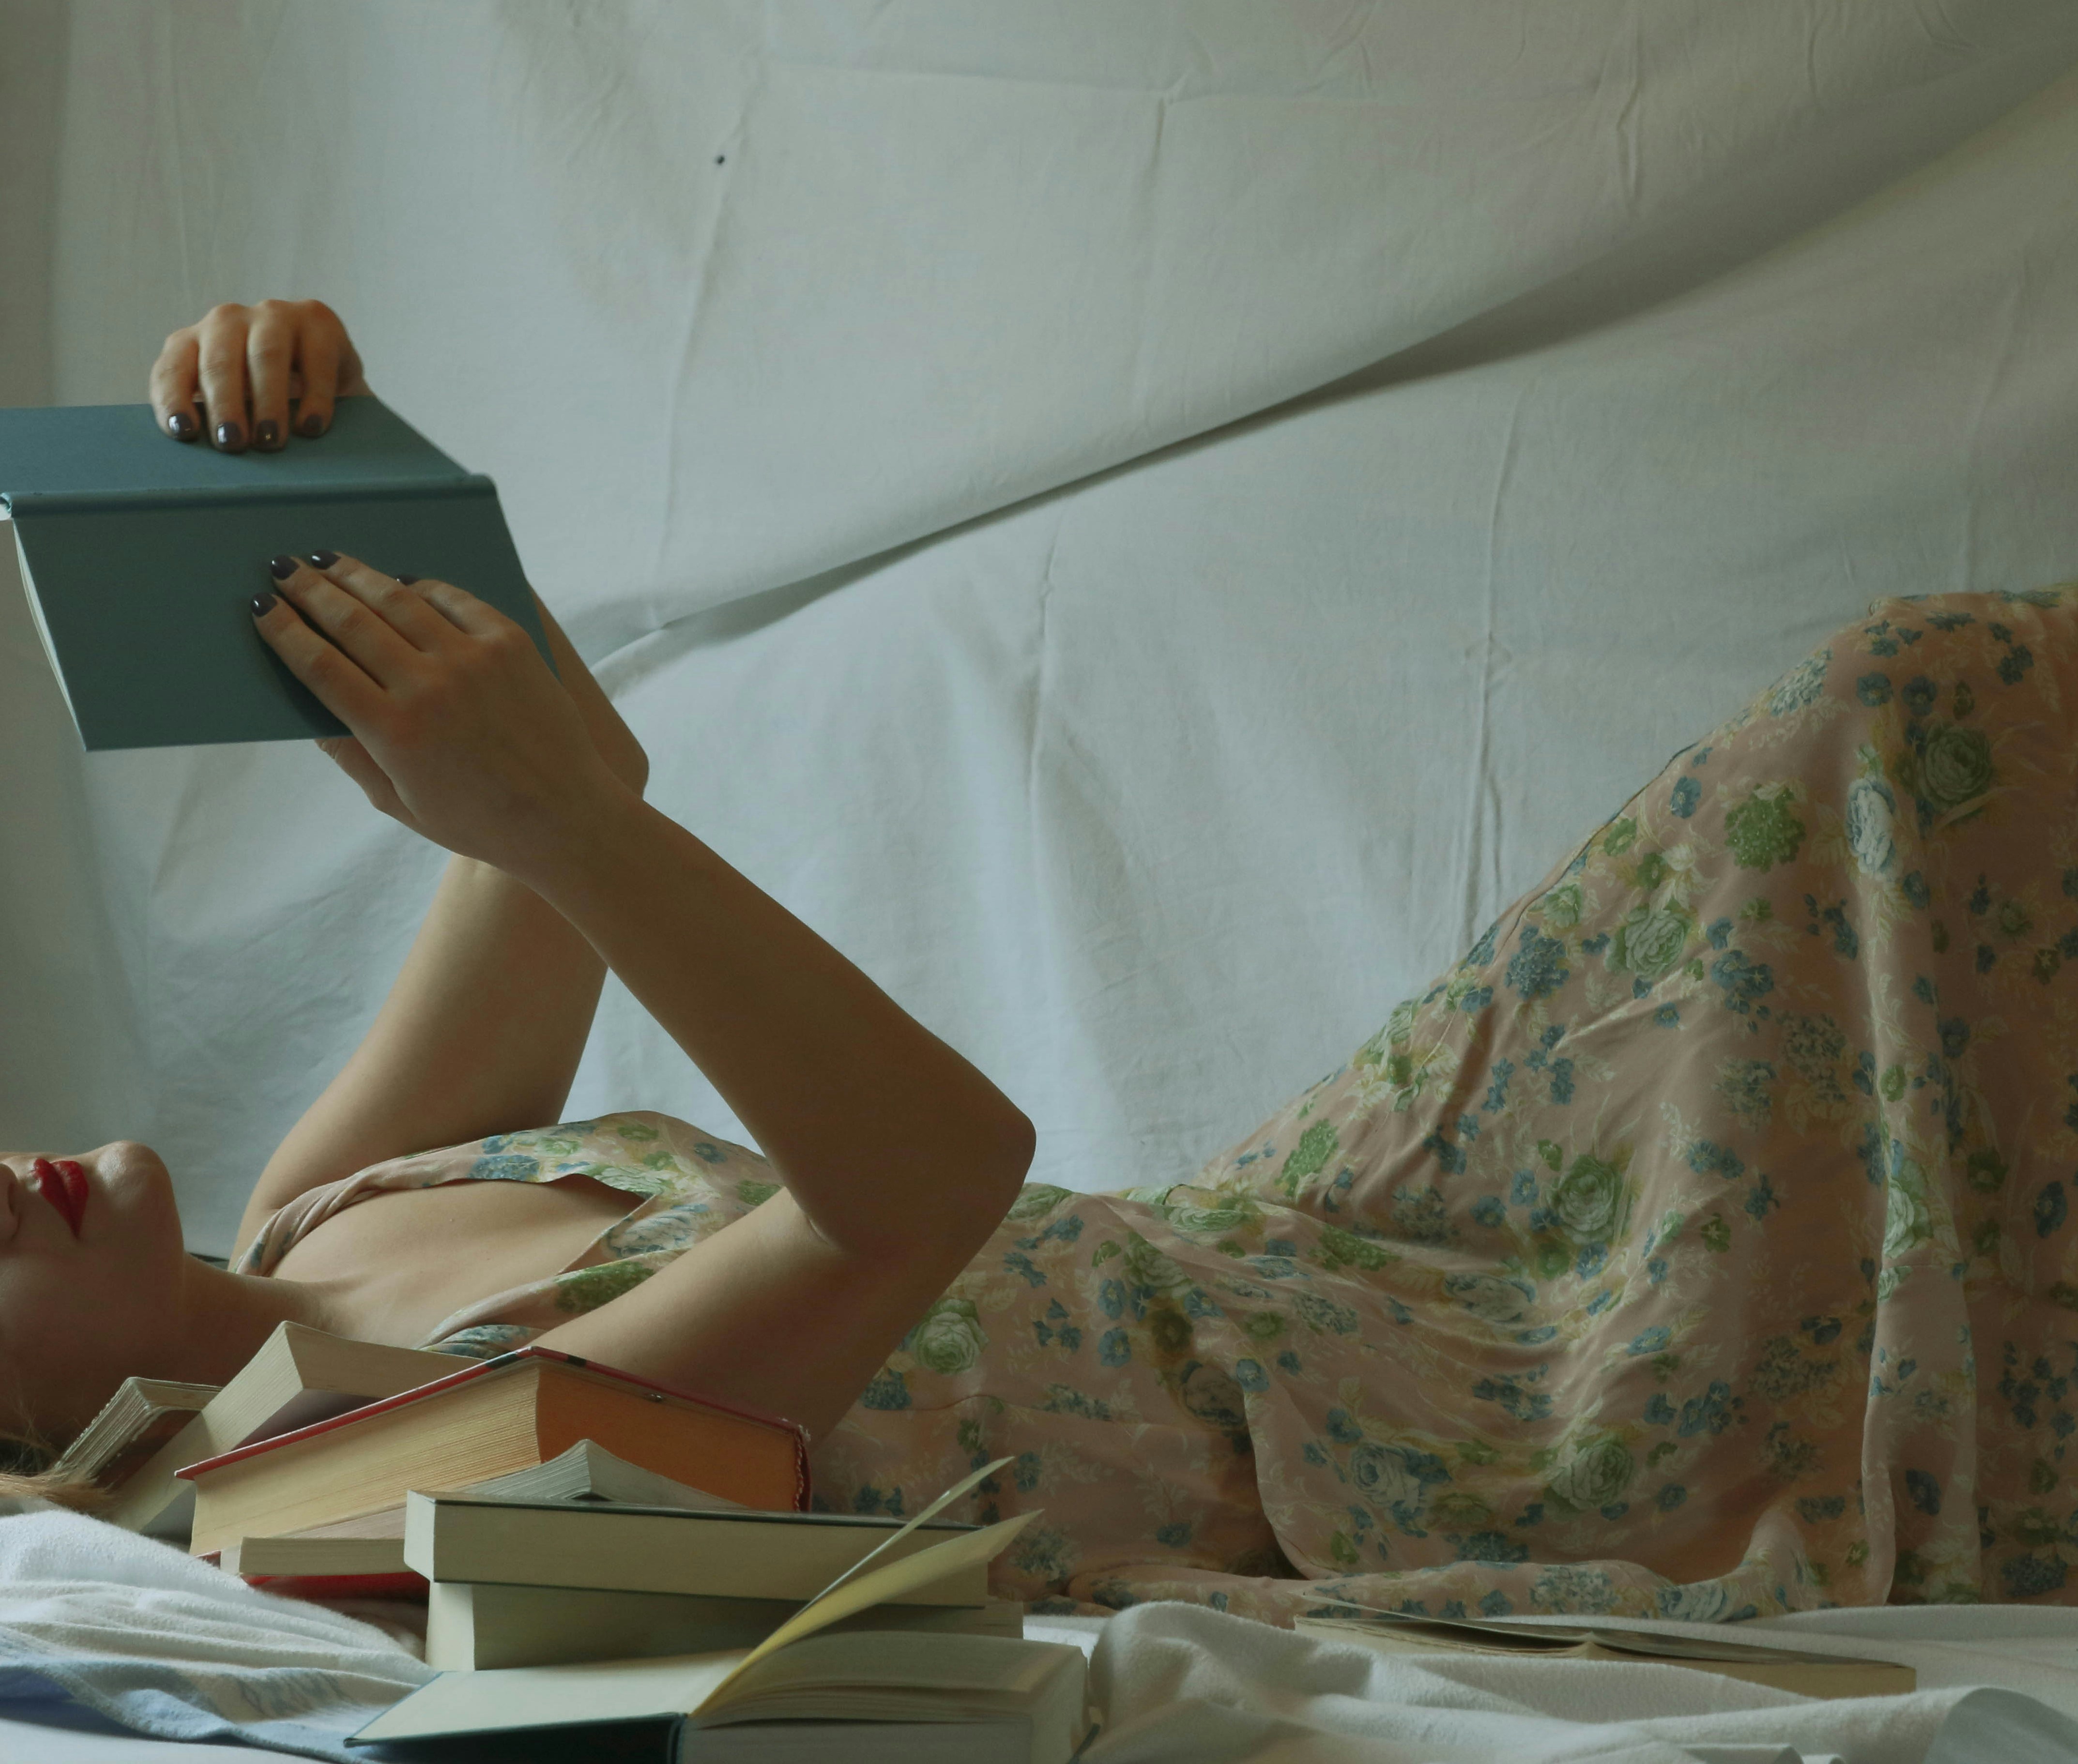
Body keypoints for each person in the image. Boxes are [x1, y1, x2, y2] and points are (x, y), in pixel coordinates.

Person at [3, 300, 2075, 1625]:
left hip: (1315, 1238)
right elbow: (920, 1180)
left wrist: (291, 455)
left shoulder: (329, 1206)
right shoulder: (371, 1473)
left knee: (1897, 713)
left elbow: (570, 761)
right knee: (1927, 724)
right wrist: (544, 814)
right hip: (1444, 1429)